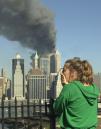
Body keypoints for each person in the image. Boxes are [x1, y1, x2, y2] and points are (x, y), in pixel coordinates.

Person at [53, 58, 100, 129]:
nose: (62, 73)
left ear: (72, 73)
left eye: (64, 70)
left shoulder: (69, 88)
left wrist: (66, 86)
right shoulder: (94, 88)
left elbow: (56, 108)